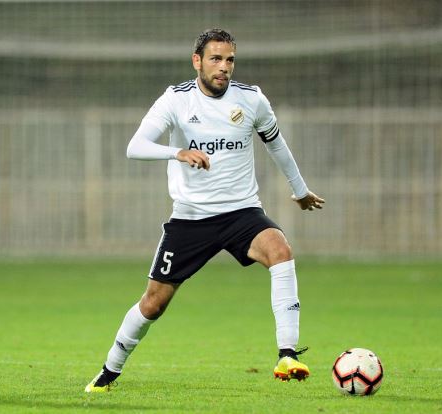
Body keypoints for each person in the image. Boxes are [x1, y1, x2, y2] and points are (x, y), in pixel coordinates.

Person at [85, 28, 324, 392]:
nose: (224, 67)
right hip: (191, 218)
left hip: (242, 212)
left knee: (280, 250)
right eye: (215, 59)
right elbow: (135, 146)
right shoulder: (176, 99)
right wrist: (177, 152)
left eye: (229, 60)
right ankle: (108, 372)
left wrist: (300, 190)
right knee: (153, 304)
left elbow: (277, 145)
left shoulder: (252, 99)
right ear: (197, 61)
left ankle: (287, 354)